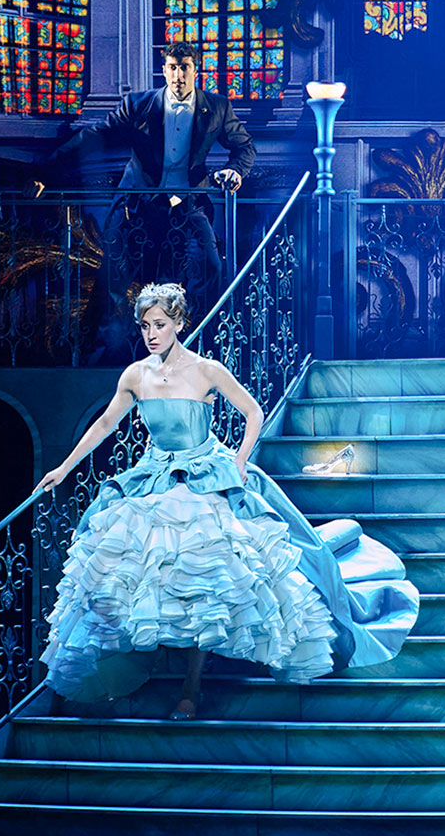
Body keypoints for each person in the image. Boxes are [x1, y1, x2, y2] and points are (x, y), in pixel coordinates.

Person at [35, 283, 419, 719]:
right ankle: (144, 662)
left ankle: (191, 687)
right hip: (157, 475)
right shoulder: (135, 375)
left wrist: (238, 461)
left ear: (180, 323)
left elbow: (254, 412)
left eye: (160, 325)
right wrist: (64, 468)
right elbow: (106, 423)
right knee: (132, 570)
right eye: (145, 326)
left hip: (206, 474)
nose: (151, 334)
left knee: (211, 574)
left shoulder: (207, 370)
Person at [30, 43, 255, 358]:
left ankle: (202, 343)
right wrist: (46, 168)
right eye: (172, 68)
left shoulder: (216, 107)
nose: (178, 75)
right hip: (138, 205)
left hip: (188, 205)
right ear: (164, 70)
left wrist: (234, 171)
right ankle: (108, 351)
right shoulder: (138, 106)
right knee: (113, 276)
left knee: (211, 267)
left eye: (185, 67)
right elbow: (95, 135)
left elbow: (244, 147)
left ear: (196, 70)